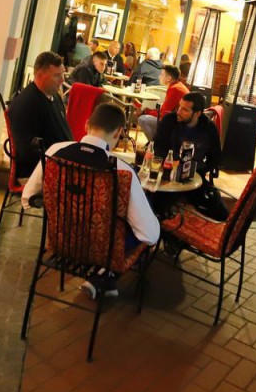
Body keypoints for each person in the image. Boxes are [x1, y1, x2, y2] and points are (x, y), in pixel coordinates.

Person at [23, 102, 160, 298]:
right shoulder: (121, 170)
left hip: (60, 241)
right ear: (118, 132)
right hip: (102, 252)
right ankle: (106, 275)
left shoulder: (54, 152)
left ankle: (104, 280)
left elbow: (28, 198)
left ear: (87, 124)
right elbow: (149, 235)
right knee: (146, 222)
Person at [153, 92, 225, 219]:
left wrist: (198, 169)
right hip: (168, 174)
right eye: (179, 106)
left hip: (194, 176)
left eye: (185, 110)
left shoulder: (208, 128)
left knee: (220, 212)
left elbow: (216, 158)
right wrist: (170, 163)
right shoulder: (170, 120)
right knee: (158, 206)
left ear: (197, 113)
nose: (178, 111)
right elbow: (158, 146)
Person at [7, 52, 72, 181]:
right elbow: (27, 151)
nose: (62, 80)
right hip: (39, 171)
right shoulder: (27, 103)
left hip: (59, 164)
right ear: (39, 74)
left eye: (63, 74)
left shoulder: (55, 96)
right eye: (57, 75)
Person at [137, 64, 188, 141]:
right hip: (180, 121)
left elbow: (164, 114)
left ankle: (154, 144)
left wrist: (145, 111)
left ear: (168, 78)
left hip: (177, 123)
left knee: (142, 119)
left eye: (161, 74)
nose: (159, 77)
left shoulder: (174, 89)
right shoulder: (178, 86)